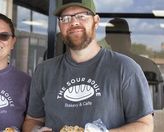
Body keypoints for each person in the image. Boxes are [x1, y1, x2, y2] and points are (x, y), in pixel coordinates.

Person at [23, 0, 154, 132]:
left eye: (81, 16)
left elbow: (145, 125)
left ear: (96, 21)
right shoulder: (44, 71)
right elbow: (32, 120)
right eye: (66, 18)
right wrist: (36, 130)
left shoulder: (125, 68)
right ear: (59, 25)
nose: (74, 22)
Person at [105, 17, 163, 83]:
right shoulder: (148, 64)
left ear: (107, 40)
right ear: (129, 38)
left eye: (122, 37)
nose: (121, 41)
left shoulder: (101, 67)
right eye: (118, 38)